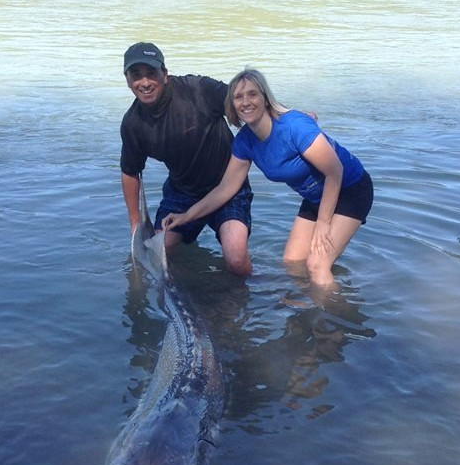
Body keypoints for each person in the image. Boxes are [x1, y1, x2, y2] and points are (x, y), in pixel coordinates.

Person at [162, 69, 373, 287]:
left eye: (252, 94)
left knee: (317, 265)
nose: (246, 102)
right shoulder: (245, 142)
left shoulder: (294, 127)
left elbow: (334, 171)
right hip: (316, 197)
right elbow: (226, 188)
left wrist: (323, 223)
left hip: (350, 189)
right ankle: (307, 313)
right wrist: (186, 216)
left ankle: (341, 318)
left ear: (265, 98)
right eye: (238, 96)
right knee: (293, 263)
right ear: (231, 105)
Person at [119, 42, 252, 276]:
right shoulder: (133, 124)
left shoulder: (198, 89)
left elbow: (246, 102)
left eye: (151, 73)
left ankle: (247, 301)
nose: (145, 82)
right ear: (128, 80)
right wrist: (135, 225)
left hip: (229, 189)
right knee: (157, 254)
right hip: (183, 193)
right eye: (136, 76)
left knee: (236, 259)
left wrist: (286, 115)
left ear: (165, 74)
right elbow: (131, 172)